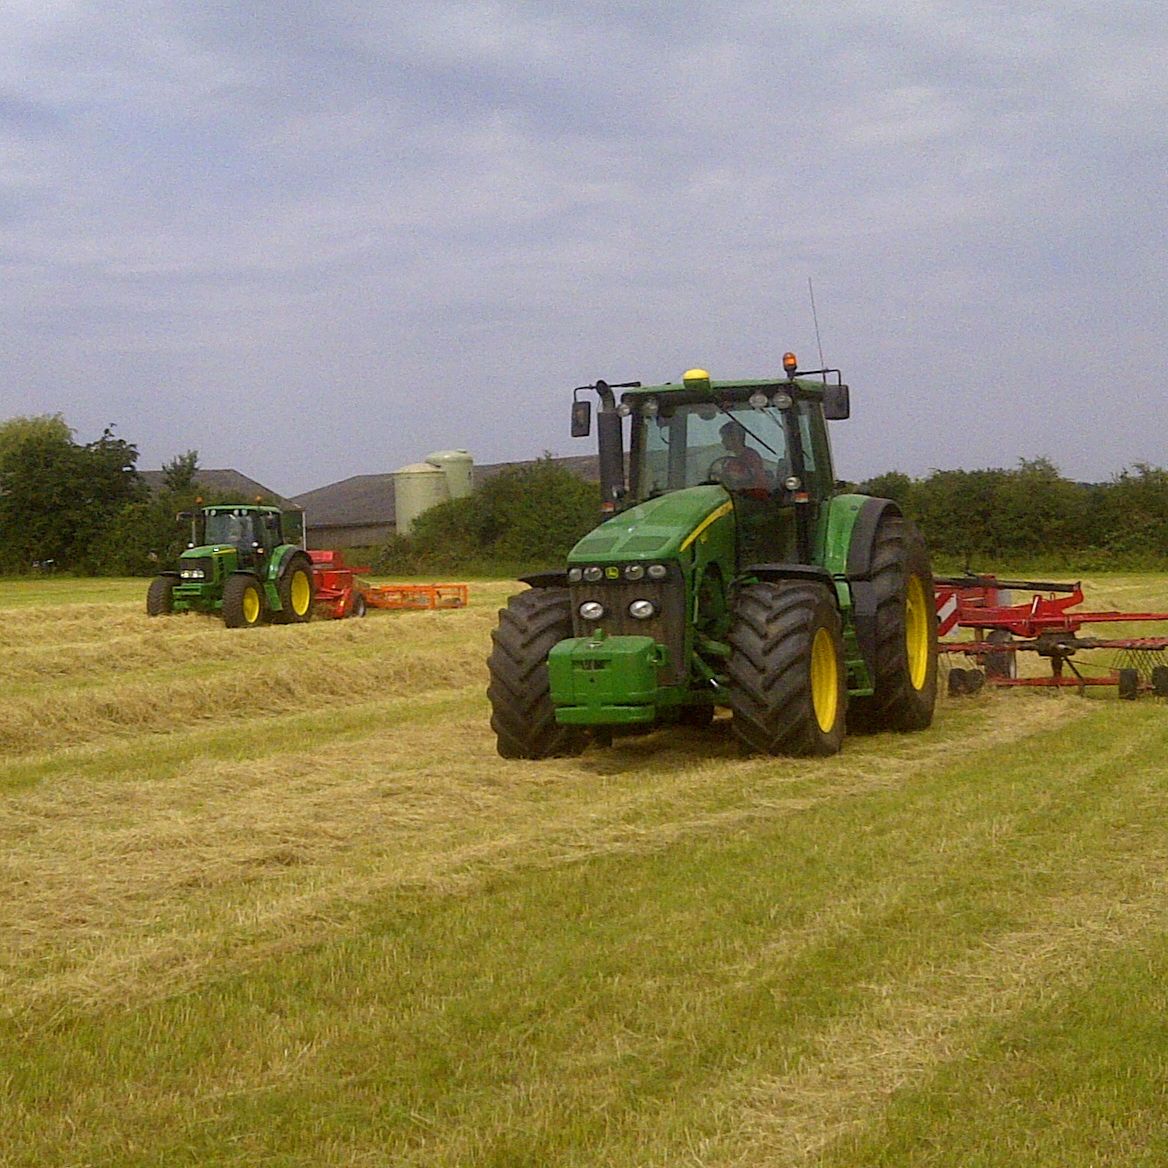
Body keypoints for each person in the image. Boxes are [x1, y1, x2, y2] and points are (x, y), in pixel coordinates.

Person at [716, 421, 770, 492]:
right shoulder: (729, 460)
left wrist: (732, 478)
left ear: (735, 438)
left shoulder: (751, 457)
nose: (722, 441)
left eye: (725, 438)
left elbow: (757, 480)